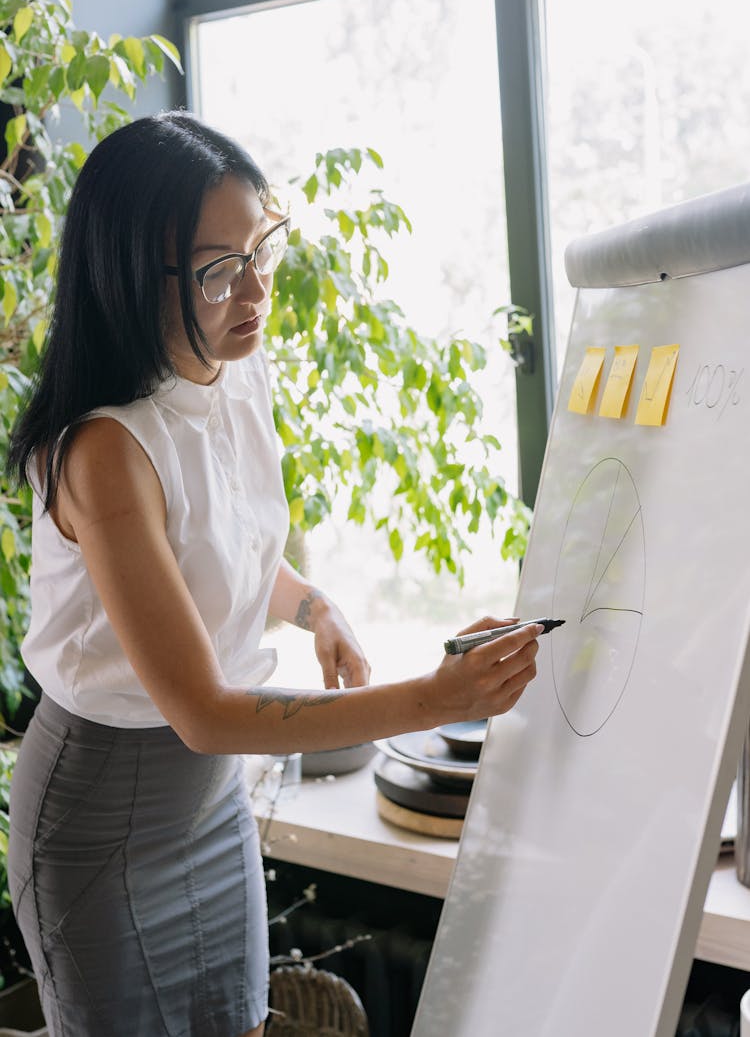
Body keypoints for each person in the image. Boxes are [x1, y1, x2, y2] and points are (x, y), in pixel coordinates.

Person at [5, 111, 540, 1037]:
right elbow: (206, 710)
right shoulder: (101, 451)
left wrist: (312, 604)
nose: (256, 288)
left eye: (263, 247)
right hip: (103, 815)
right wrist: (436, 696)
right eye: (220, 269)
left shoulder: (234, 369)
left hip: (209, 801)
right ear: (136, 272)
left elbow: (226, 544)